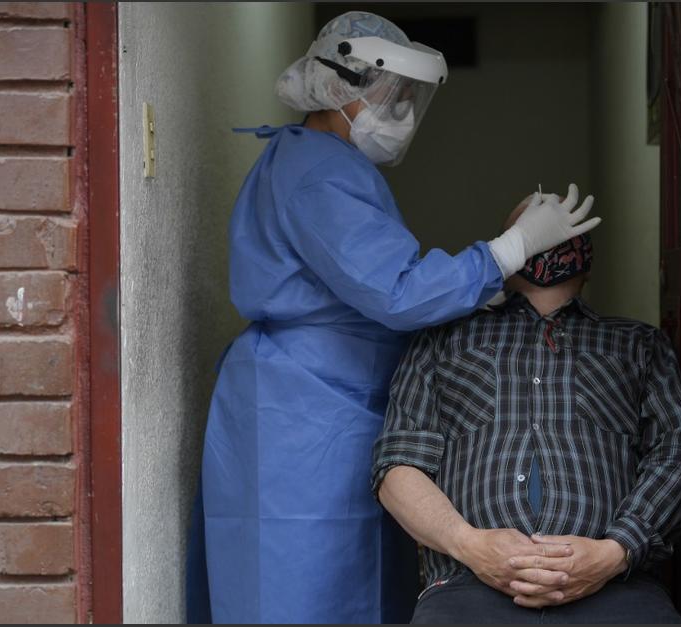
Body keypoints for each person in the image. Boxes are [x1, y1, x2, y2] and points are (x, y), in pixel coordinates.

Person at [186, 11, 601, 624]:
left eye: (410, 99)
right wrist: (507, 251)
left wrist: (484, 287)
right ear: (337, 88)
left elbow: (376, 278)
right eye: (390, 96)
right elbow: (396, 291)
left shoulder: (338, 168)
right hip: (295, 413)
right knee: (296, 590)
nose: (401, 112)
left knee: (355, 582)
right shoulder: (314, 172)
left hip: (333, 400)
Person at [372, 210, 681, 623]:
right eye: (537, 224)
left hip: (617, 588)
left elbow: (674, 452)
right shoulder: (442, 339)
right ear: (511, 242)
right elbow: (397, 466)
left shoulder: (638, 344)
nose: (552, 238)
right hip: (467, 586)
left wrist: (614, 552)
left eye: (565, 223)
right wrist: (470, 545)